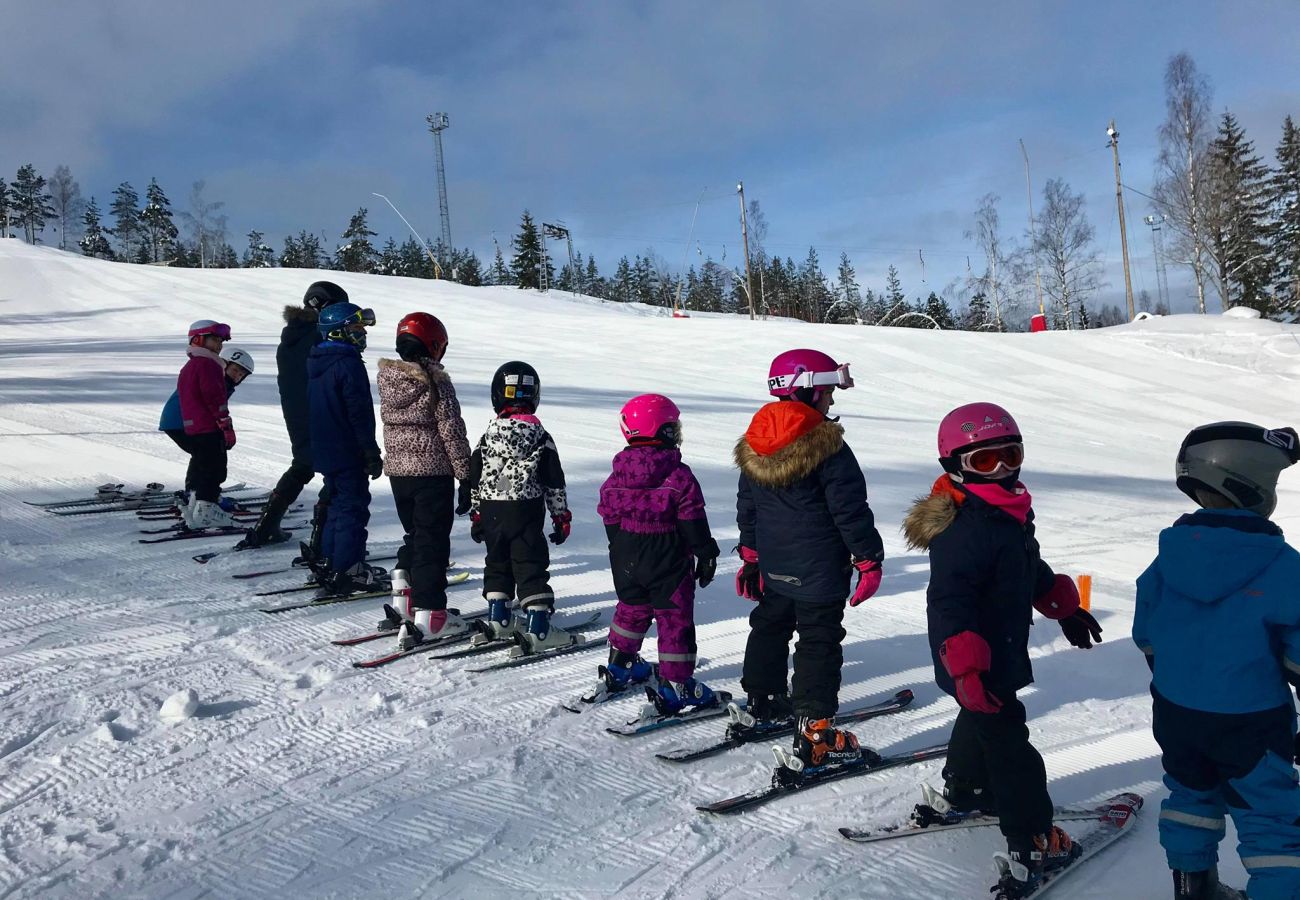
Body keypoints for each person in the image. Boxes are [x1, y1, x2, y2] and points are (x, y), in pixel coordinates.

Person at [902, 402, 1102, 898]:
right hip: (972, 654)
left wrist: (1062, 607)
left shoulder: (1007, 511)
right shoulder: (966, 529)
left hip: (998, 649)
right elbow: (951, 602)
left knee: (983, 720)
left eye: (1010, 454)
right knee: (1010, 745)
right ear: (956, 466)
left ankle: (967, 787)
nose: (1004, 469)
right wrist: (968, 670)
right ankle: (1034, 838)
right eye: (986, 462)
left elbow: (1025, 565)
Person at [1133, 422, 1300, 900]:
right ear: (1254, 486)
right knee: (1270, 819)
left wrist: (1182, 675)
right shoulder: (1283, 567)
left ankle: (1193, 887)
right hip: (1251, 723)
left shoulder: (1166, 559)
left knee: (1190, 794)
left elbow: (1147, 635)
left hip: (1177, 713)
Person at [734, 349, 884, 770]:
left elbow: (749, 506)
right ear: (808, 390)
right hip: (819, 570)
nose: (832, 401)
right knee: (818, 639)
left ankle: (761, 700)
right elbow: (850, 511)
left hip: (774, 566)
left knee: (770, 624)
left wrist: (751, 558)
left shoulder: (756, 443)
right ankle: (816, 735)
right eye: (829, 392)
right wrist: (868, 561)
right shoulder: (828, 447)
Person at [595, 394, 722, 714]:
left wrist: (621, 548)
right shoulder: (678, 475)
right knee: (673, 619)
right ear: (661, 431)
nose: (677, 434)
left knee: (631, 608)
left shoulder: (615, 475)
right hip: (668, 558)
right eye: (673, 427)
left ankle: (620, 665)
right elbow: (692, 519)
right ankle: (678, 685)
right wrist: (706, 554)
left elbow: (609, 514)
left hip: (626, 556)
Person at [376, 312, 472, 649]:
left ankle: (404, 594)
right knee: (432, 543)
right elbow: (451, 430)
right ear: (434, 345)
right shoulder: (435, 382)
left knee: (415, 535)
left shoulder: (388, 380)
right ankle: (431, 613)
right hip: (433, 473)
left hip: (400, 475)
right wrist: (466, 475)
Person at [465, 361, 573, 652]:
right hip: (524, 510)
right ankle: (538, 627)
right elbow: (554, 481)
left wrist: (477, 513)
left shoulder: (487, 436)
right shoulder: (540, 437)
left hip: (491, 509)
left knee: (497, 560)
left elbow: (476, 476)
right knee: (529, 563)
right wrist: (561, 516)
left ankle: (499, 618)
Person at [240, 281, 349, 552]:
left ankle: (265, 527)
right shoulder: (316, 336)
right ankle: (323, 540)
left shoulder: (291, 336)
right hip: (320, 411)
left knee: (303, 464)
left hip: (297, 412)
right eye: (336, 309)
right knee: (338, 469)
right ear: (321, 306)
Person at [306, 301, 385, 594]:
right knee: (352, 507)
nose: (362, 333)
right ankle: (348, 567)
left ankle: (331, 560)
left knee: (338, 505)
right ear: (338, 332)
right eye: (356, 328)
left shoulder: (318, 361)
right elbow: (358, 412)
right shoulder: (347, 363)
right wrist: (370, 451)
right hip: (347, 448)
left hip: (326, 449)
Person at [160, 342, 254, 527]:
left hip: (177, 422)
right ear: (224, 364)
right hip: (183, 421)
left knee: (204, 455)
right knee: (213, 457)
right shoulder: (215, 378)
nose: (238, 376)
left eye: (242, 374)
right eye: (235, 370)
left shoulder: (219, 379)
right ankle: (206, 502)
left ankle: (195, 493)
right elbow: (211, 404)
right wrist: (225, 427)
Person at [172, 320, 241, 528]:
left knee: (205, 467)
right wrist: (225, 424)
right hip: (209, 426)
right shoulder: (208, 364)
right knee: (215, 469)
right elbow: (215, 396)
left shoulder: (192, 365)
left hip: (195, 426)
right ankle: (206, 511)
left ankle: (197, 507)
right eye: (214, 340)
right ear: (198, 339)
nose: (219, 345)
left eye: (220, 341)